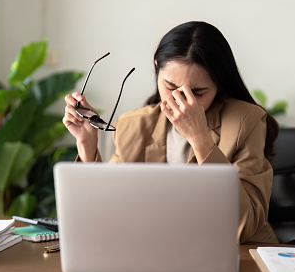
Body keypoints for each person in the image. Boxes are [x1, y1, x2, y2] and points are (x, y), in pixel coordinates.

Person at [63, 21, 279, 243]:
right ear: (157, 68)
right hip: (158, 251)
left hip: (232, 255)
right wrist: (87, 144)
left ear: (219, 85)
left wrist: (200, 139)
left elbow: (242, 226)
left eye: (197, 92)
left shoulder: (246, 121)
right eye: (171, 87)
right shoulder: (133, 125)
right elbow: (105, 212)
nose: (181, 101)